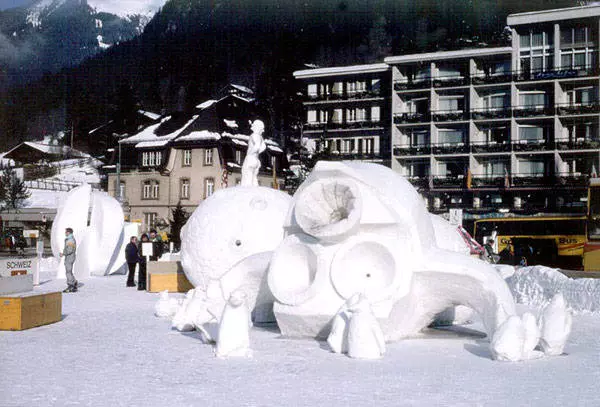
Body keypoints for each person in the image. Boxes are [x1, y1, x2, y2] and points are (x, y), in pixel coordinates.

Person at [60, 227, 78, 293]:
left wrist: (63, 254)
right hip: (70, 257)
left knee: (68, 272)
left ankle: (71, 285)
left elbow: (70, 250)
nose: (65, 233)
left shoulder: (70, 240)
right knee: (69, 271)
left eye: (66, 232)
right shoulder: (69, 239)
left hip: (70, 257)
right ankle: (74, 282)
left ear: (69, 232)